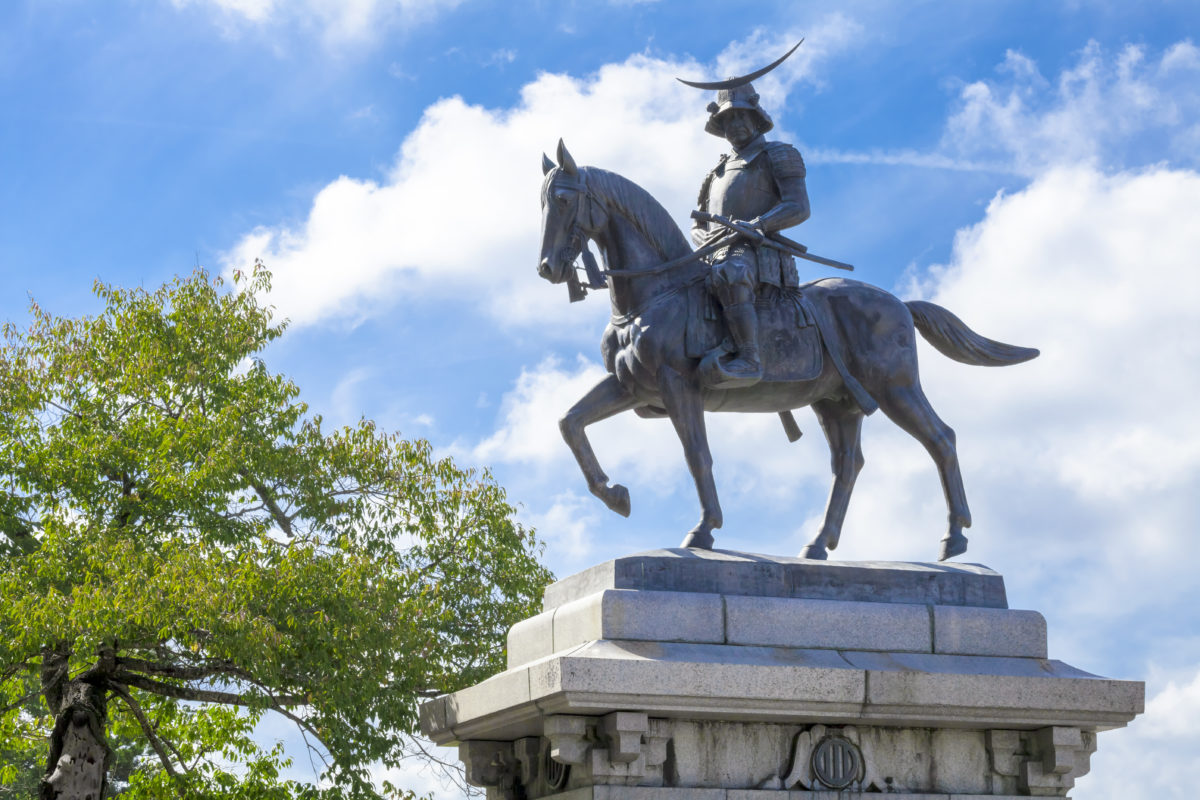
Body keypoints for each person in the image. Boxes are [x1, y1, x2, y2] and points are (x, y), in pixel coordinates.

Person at [693, 82, 810, 388]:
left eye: (740, 116)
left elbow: (798, 206)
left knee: (732, 274)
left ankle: (749, 358)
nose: (734, 125)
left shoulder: (779, 154)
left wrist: (758, 225)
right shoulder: (715, 171)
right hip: (713, 253)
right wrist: (702, 240)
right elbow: (698, 224)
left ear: (756, 117)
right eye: (726, 119)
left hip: (758, 252)